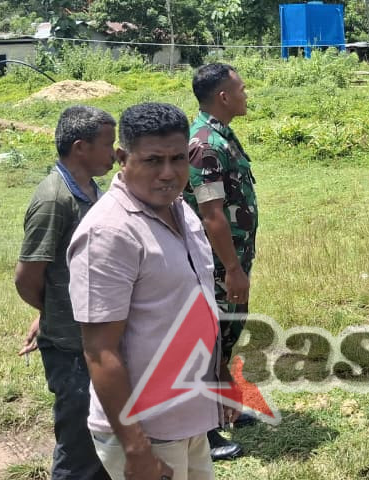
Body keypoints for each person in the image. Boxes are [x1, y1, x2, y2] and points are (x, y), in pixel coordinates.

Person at [69, 102, 229, 480]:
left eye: (178, 159)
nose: (168, 173)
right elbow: (100, 350)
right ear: (123, 158)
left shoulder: (181, 210)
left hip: (187, 416)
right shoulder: (109, 233)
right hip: (147, 430)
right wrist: (136, 448)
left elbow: (195, 305)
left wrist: (219, 375)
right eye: (153, 160)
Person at [15, 105, 116, 480]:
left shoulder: (90, 190)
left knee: (101, 440)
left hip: (91, 337)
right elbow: (27, 277)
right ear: (80, 148)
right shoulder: (54, 199)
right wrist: (51, 311)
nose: (113, 152)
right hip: (70, 347)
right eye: (107, 144)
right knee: (78, 448)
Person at [182, 63, 256, 461]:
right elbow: (212, 214)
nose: (246, 94)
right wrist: (232, 269)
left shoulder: (222, 135)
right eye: (240, 88)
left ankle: (223, 406)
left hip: (230, 260)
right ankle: (203, 431)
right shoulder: (206, 145)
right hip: (215, 266)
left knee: (224, 337)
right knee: (206, 343)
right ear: (223, 96)